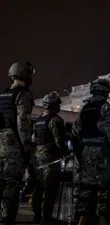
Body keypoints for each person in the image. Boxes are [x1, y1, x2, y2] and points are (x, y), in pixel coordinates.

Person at [71, 79, 110, 225]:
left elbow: (75, 131)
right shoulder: (105, 107)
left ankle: (82, 220)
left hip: (85, 151)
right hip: (102, 152)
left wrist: (79, 150)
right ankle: (102, 219)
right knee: (104, 185)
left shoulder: (85, 108)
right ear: (106, 92)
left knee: (86, 186)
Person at [0, 62, 35, 225]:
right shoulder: (24, 94)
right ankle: (6, 219)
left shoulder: (3, 94)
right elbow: (23, 124)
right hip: (14, 145)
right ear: (25, 75)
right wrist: (27, 148)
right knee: (11, 184)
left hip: (0, 144)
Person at [31, 91, 66, 224]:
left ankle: (36, 215)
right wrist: (64, 152)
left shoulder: (38, 120)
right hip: (50, 158)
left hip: (37, 157)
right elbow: (59, 141)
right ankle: (46, 218)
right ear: (53, 106)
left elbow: (34, 138)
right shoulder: (56, 120)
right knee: (49, 189)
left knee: (38, 188)